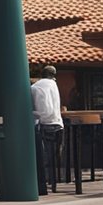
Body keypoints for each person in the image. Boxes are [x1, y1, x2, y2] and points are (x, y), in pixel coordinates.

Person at [30, 65, 64, 195]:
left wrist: (31, 113)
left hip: (44, 125)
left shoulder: (35, 87)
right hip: (58, 125)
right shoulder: (54, 85)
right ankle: (53, 183)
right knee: (53, 158)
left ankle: (41, 186)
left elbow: (43, 111)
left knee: (41, 157)